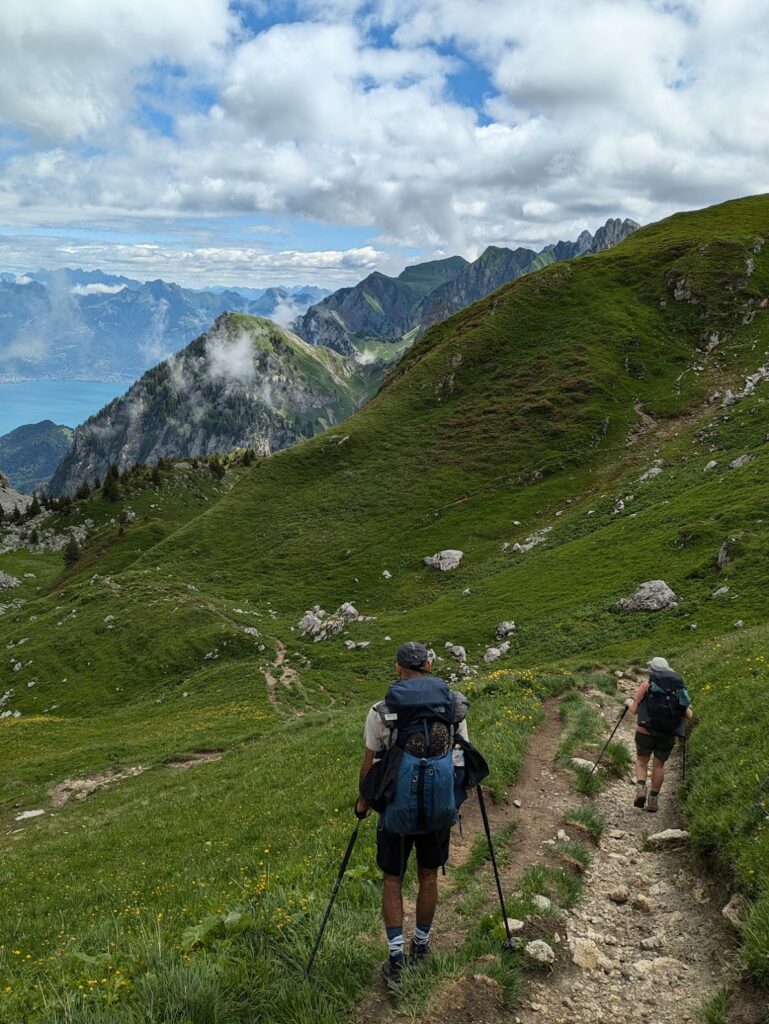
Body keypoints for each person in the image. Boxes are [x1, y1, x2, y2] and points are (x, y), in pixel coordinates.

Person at [355, 641, 469, 988]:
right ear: (429, 667)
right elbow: (460, 757)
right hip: (438, 808)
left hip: (395, 808)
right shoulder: (453, 706)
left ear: (398, 669)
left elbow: (369, 763)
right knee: (429, 876)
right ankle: (421, 946)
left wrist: (363, 803)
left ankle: (395, 957)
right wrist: (455, 798)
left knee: (393, 879)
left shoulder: (382, 710)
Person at [626, 656, 693, 812]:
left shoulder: (646, 686)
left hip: (645, 731)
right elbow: (689, 715)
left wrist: (629, 702)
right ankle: (653, 801)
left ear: (651, 670)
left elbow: (635, 710)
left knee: (642, 761)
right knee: (659, 765)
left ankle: (641, 789)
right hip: (667, 734)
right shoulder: (679, 688)